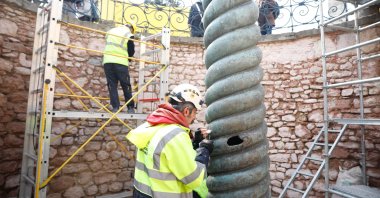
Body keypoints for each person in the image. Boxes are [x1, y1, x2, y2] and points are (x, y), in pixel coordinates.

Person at [126, 84, 214, 198]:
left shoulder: (152, 125)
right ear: (187, 111)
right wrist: (204, 150)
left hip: (142, 193)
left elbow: (166, 158)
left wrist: (195, 143)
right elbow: (194, 179)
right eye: (195, 112)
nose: (195, 117)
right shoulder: (176, 136)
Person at [103, 21, 136, 113]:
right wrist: (129, 58)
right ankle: (130, 108)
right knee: (126, 85)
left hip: (107, 61)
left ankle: (115, 107)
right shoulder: (128, 33)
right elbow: (131, 50)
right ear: (132, 28)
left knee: (112, 85)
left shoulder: (111, 31)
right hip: (121, 62)